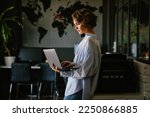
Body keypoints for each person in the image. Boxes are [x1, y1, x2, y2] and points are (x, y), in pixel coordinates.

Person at [51, 8, 101, 100]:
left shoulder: (90, 42)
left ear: (86, 21)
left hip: (78, 88)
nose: (76, 27)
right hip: (76, 87)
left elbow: (85, 72)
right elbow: (85, 65)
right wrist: (72, 64)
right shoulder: (89, 40)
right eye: (75, 25)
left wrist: (62, 71)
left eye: (77, 24)